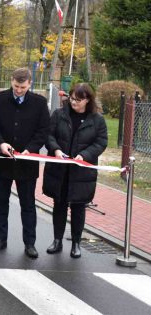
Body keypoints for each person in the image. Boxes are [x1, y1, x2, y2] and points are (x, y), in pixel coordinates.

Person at [0, 68, 50, 259]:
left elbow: (43, 130)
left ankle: (30, 243)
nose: (19, 90)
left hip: (26, 163)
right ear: (11, 80)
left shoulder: (39, 103)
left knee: (28, 204)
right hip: (2, 160)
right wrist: (0, 143)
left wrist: (30, 149)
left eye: (23, 87)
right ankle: (0, 238)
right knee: (1, 202)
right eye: (16, 86)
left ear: (30, 84)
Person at [43, 83, 107, 259]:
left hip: (81, 172)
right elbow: (49, 135)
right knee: (59, 205)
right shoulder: (59, 114)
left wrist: (84, 155)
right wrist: (55, 149)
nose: (73, 103)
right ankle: (57, 240)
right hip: (60, 169)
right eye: (71, 98)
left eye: (78, 100)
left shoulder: (97, 119)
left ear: (87, 100)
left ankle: (76, 243)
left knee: (78, 207)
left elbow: (101, 142)